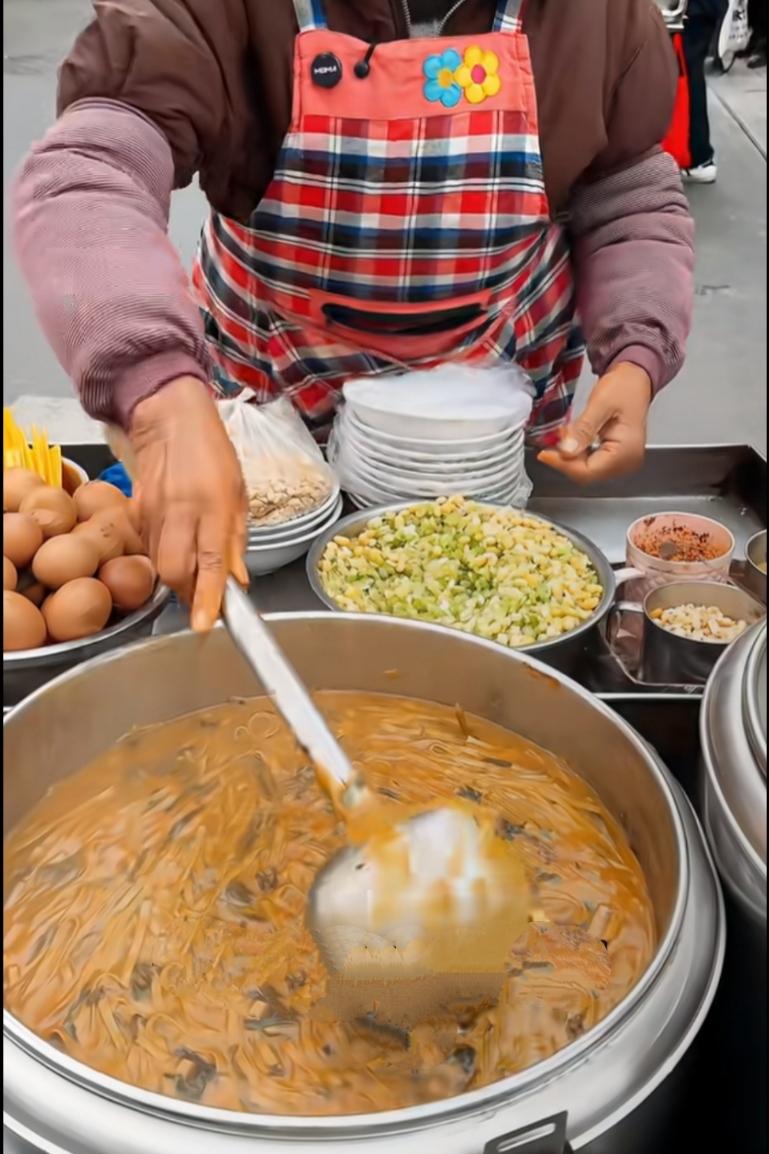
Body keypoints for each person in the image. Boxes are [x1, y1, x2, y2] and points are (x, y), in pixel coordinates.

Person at [13, 0, 694, 628]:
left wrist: (637, 352)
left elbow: (626, 190)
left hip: (486, 420)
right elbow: (92, 170)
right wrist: (158, 391)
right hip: (276, 407)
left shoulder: (596, 15)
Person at [682, 0, 729, 183]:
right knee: (690, 71)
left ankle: (697, 156)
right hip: (700, 8)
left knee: (687, 73)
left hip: (692, 9)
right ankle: (697, 156)